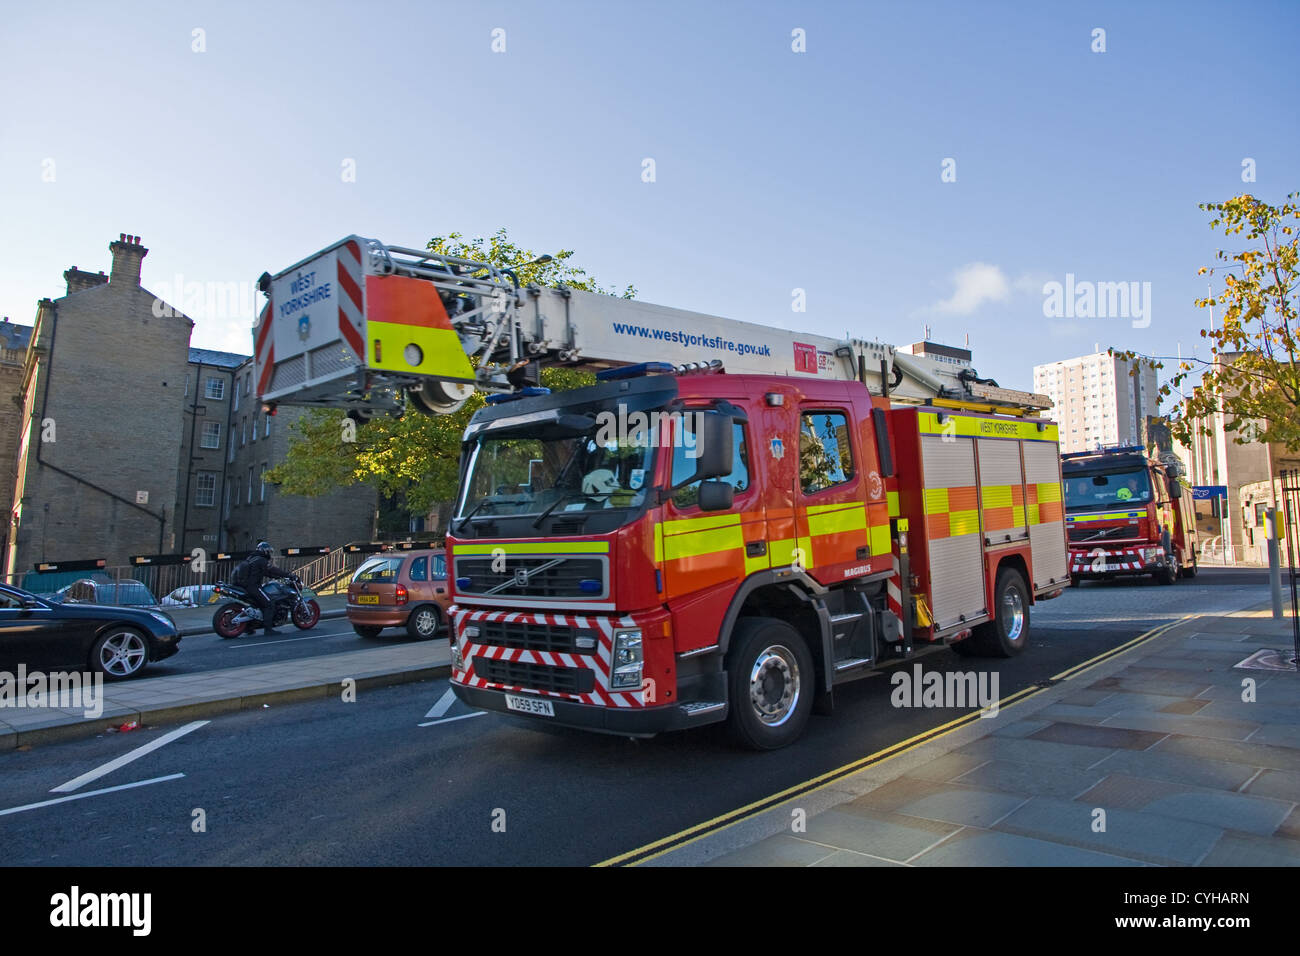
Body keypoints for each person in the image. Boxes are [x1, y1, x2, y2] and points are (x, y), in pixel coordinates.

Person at [239, 541, 293, 634]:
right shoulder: (261, 560)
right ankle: (268, 629)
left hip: (245, 586)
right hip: (253, 586)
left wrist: (277, 577)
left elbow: (265, 572)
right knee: (269, 603)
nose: (269, 553)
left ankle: (248, 627)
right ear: (264, 550)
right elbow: (272, 569)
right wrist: (288, 574)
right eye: (268, 551)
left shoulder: (252, 558)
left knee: (257, 605)